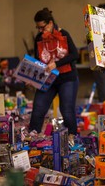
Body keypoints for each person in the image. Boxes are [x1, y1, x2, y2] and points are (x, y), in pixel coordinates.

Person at [29, 8, 79, 142]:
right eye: (38, 28)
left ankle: (72, 137)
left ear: (50, 23)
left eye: (42, 27)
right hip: (47, 79)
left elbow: (75, 55)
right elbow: (37, 61)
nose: (40, 30)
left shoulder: (64, 34)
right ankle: (32, 138)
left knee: (66, 110)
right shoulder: (39, 38)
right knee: (38, 108)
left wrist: (56, 64)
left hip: (67, 77)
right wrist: (31, 78)